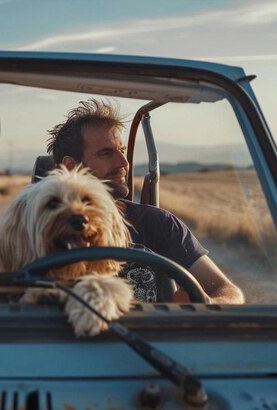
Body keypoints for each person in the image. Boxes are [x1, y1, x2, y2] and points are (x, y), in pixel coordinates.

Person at [47, 98, 245, 304]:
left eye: (122, 150)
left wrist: (210, 303)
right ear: (71, 166)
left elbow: (228, 290)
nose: (123, 162)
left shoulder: (158, 223)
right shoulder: (40, 228)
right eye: (106, 153)